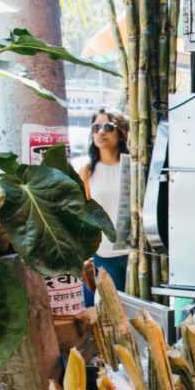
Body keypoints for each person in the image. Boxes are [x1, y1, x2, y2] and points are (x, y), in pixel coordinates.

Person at [77, 109, 130, 295]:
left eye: (108, 127)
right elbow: (80, 214)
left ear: (121, 133)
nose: (101, 132)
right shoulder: (87, 171)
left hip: (133, 255)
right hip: (101, 254)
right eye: (96, 127)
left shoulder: (134, 167)